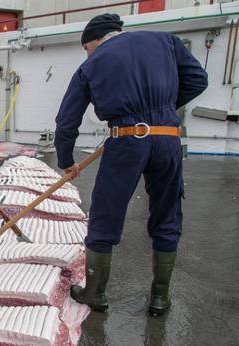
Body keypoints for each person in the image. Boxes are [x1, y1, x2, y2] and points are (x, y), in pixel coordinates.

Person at [54, 14, 208, 315]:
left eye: (86, 48)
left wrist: (66, 161)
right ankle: (159, 298)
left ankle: (95, 293)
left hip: (125, 141)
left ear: (93, 41)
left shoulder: (92, 64)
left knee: (105, 213)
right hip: (168, 139)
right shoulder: (166, 40)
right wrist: (161, 111)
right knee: (167, 212)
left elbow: (66, 122)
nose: (87, 54)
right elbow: (199, 80)